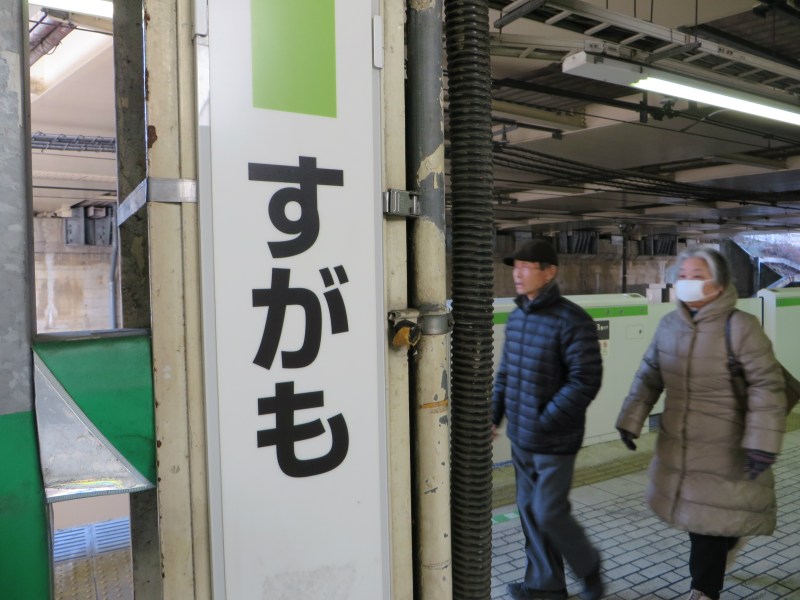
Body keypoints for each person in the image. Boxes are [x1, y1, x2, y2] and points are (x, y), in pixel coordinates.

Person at [616, 247, 786, 600]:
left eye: (697, 276)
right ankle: (729, 542)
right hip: (681, 445)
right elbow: (649, 376)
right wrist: (630, 420)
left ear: (719, 285)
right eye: (683, 276)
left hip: (727, 446)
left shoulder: (740, 326)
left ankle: (703, 591)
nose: (687, 283)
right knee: (701, 521)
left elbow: (767, 385)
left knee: (707, 524)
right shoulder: (668, 325)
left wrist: (762, 443)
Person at [492, 239, 604, 600]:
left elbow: (585, 380)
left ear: (549, 271)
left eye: (526, 266)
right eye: (515, 266)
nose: (517, 273)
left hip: (555, 441)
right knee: (529, 511)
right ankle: (545, 586)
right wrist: (493, 416)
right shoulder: (518, 316)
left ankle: (589, 570)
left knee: (548, 511)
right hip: (522, 438)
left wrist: (545, 419)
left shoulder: (573, 320)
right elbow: (506, 374)